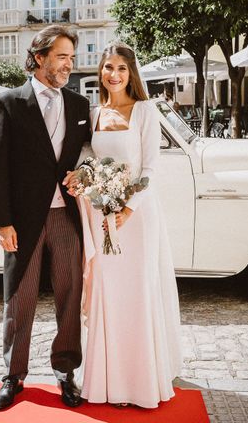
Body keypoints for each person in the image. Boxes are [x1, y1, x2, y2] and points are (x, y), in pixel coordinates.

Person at [65, 42, 182, 408]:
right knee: (107, 295)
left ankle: (139, 382)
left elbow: (149, 170)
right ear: (100, 72)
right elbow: (89, 154)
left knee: (137, 294)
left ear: (131, 73)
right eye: (107, 67)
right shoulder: (95, 112)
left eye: (121, 68)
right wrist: (82, 173)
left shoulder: (146, 110)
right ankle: (107, 382)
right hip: (101, 215)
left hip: (137, 217)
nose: (113, 74)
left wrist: (128, 208)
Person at [0, 25, 91, 411]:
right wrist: (2, 222)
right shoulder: (8, 103)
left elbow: (89, 156)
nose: (68, 64)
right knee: (20, 299)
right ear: (40, 57)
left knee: (70, 295)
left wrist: (88, 175)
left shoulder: (79, 106)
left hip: (67, 218)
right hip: (23, 222)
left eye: (71, 58)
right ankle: (13, 376)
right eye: (62, 56)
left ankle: (66, 371)